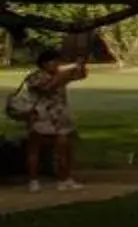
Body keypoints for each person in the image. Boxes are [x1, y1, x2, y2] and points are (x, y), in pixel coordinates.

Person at [11, 48, 84, 191]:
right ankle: (34, 181)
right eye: (53, 61)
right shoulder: (35, 77)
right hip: (40, 116)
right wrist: (62, 76)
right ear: (44, 63)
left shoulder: (59, 74)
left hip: (59, 117)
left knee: (65, 148)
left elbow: (81, 75)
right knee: (35, 149)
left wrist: (80, 64)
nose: (56, 64)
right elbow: (47, 88)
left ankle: (65, 179)